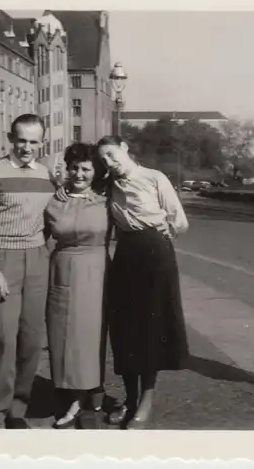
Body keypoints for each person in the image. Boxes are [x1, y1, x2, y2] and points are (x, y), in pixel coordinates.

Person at [0, 113, 56, 429]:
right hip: (2, 261)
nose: (27, 147)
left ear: (41, 142)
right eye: (21, 140)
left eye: (33, 141)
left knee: (31, 341)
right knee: (3, 340)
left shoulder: (46, 174)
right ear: (10, 139)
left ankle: (18, 411)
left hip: (37, 260)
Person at [97, 135, 189, 429]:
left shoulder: (154, 177)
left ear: (125, 148)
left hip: (155, 256)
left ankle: (145, 401)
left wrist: (161, 232)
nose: (110, 163)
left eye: (112, 155)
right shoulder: (109, 184)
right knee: (125, 329)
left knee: (151, 328)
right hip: (126, 255)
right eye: (104, 160)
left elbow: (180, 221)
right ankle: (129, 399)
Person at [45, 142, 111, 429]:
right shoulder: (55, 200)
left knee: (90, 334)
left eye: (86, 169)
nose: (79, 174)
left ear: (95, 172)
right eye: (74, 168)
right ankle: (72, 394)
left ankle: (91, 391)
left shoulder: (106, 200)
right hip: (62, 269)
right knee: (63, 334)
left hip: (97, 272)